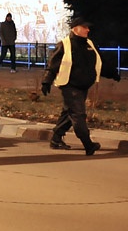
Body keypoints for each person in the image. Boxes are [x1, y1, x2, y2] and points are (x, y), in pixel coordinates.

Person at [42, 17, 121, 155]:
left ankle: (55, 139)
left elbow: (100, 63)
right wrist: (46, 81)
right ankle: (88, 144)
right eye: (85, 27)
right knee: (78, 115)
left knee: (69, 113)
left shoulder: (89, 44)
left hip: (83, 86)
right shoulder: (65, 44)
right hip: (69, 86)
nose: (88, 30)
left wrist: (113, 73)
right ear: (75, 28)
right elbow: (52, 65)